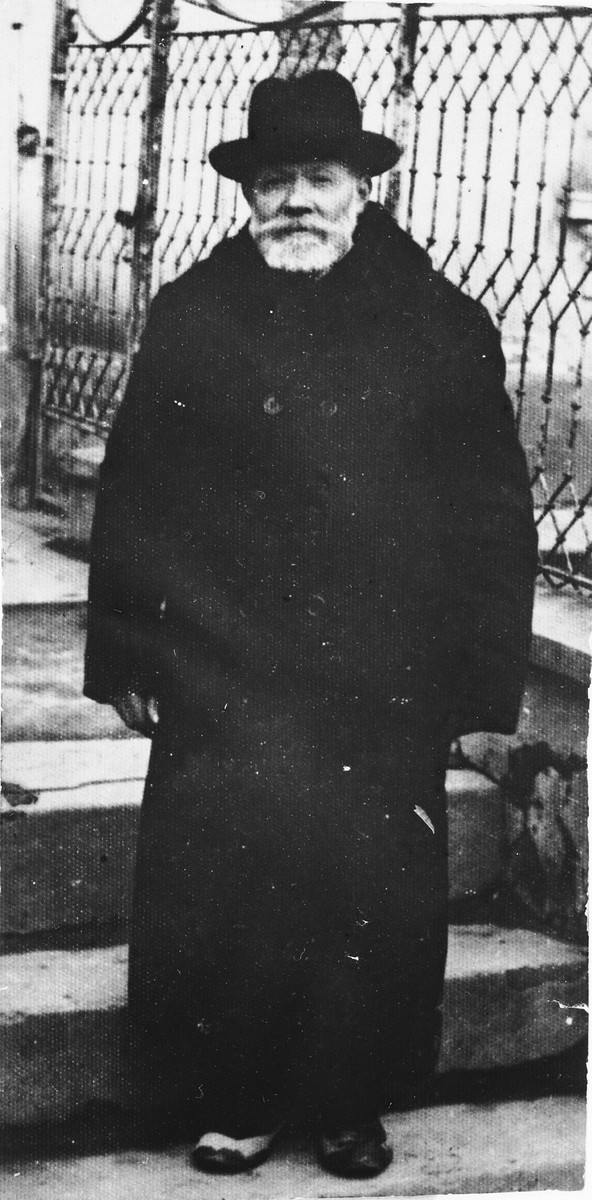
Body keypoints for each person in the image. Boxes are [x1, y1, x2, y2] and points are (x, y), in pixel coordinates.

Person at [84, 70, 537, 1179]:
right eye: (274, 177)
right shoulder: (193, 313)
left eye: (319, 176)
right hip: (219, 657)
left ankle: (347, 1102)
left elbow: (491, 508)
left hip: (376, 672)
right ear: (248, 193)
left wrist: (474, 682)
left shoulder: (437, 322)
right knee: (225, 883)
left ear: (362, 189)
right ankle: (232, 1097)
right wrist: (131, 653)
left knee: (363, 886)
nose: (295, 198)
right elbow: (137, 486)